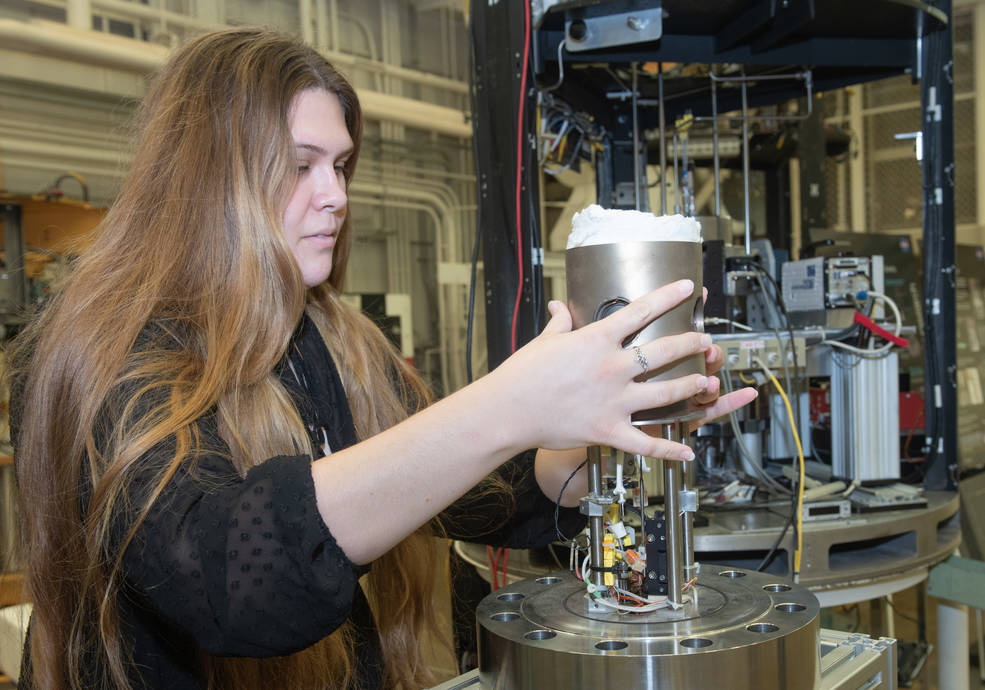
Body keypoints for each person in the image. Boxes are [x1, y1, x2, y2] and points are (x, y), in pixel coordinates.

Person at [7, 28, 754, 690]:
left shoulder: (330, 338)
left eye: (341, 164)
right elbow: (223, 577)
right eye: (301, 165)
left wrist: (587, 446)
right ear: (208, 179)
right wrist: (505, 403)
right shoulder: (104, 353)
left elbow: (451, 489)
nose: (335, 194)